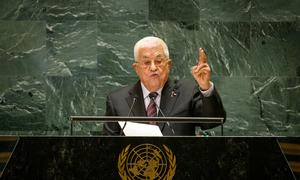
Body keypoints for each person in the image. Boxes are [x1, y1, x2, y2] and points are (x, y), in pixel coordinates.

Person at [103, 36, 226, 136]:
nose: (153, 68)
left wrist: (205, 87)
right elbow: (107, 147)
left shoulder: (187, 91)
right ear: (136, 68)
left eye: (158, 61)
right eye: (146, 62)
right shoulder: (117, 100)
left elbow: (212, 122)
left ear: (169, 65)